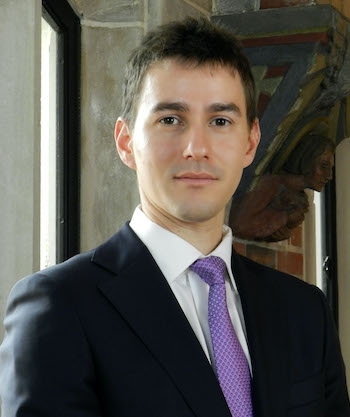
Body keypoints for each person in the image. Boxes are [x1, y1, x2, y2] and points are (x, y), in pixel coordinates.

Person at [0, 17, 349, 417]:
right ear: (126, 142)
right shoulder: (59, 306)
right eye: (170, 120)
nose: (196, 147)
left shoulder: (304, 312)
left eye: (220, 121)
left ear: (250, 142)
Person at [229, 134, 335, 241]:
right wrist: (284, 217)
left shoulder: (298, 199)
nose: (329, 176)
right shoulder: (271, 184)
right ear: (306, 161)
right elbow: (239, 225)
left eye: (331, 168)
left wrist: (284, 231)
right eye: (324, 166)